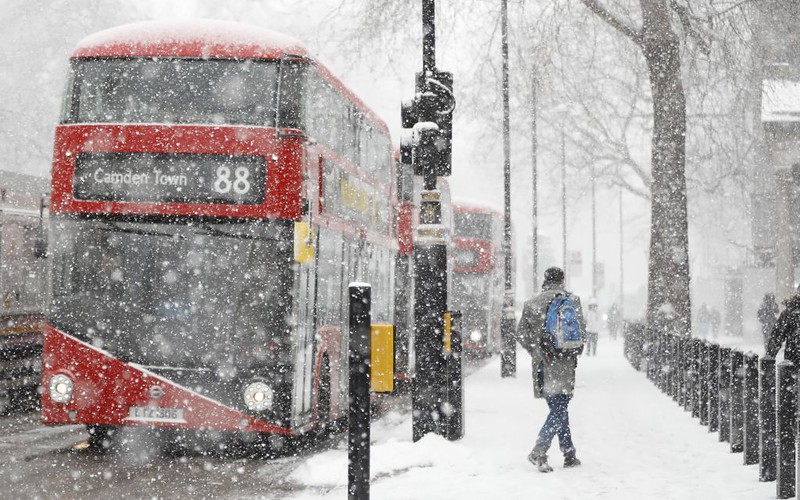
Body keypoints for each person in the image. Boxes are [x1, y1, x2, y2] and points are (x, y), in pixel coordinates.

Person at [516, 266, 585, 473]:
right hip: (565, 363)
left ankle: (569, 452)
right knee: (559, 407)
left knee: (557, 407)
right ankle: (540, 450)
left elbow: (521, 334)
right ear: (562, 280)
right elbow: (581, 331)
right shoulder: (572, 301)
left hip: (542, 364)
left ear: (545, 280)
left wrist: (537, 351)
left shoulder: (531, 304)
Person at [766, 289, 800, 363]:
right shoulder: (790, 312)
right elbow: (777, 335)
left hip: (793, 358)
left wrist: (769, 357)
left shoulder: (790, 312)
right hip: (793, 359)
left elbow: (777, 335)